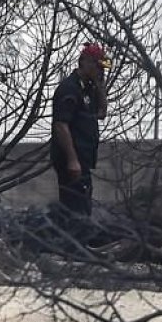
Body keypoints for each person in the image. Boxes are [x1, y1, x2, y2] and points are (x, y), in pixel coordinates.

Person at [50, 43, 110, 239]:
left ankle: (78, 243)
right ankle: (71, 246)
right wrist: (72, 159)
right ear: (85, 63)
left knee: (84, 203)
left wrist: (100, 86)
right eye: (97, 66)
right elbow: (61, 125)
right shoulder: (69, 88)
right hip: (71, 158)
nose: (100, 70)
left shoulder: (88, 89)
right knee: (74, 207)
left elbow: (101, 113)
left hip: (84, 157)